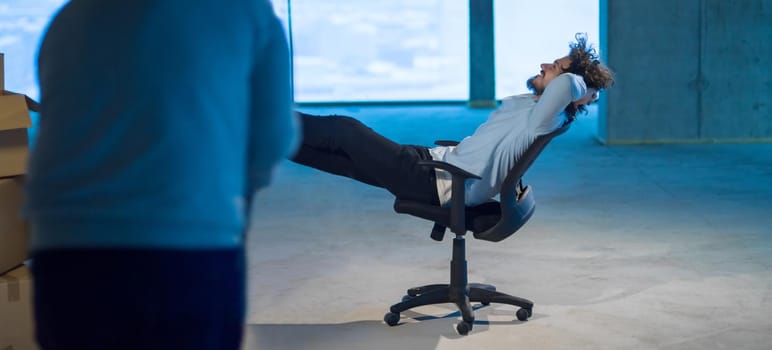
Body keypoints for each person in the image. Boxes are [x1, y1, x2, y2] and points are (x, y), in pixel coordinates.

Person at [23, 1, 298, 349]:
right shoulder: (246, 11)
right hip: (183, 243)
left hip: (64, 246)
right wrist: (228, 195)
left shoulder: (70, 16)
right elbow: (274, 137)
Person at [292, 33, 614, 207]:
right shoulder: (536, 107)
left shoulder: (545, 119)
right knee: (341, 160)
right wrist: (580, 84)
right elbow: (563, 84)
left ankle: (260, 117)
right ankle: (262, 141)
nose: (544, 65)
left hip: (442, 182)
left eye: (554, 67)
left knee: (344, 130)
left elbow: (570, 83)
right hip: (437, 163)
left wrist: (585, 84)